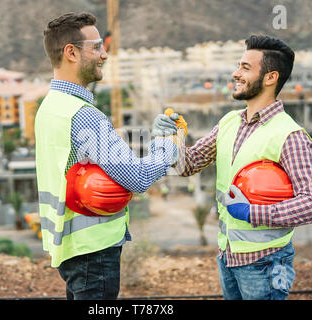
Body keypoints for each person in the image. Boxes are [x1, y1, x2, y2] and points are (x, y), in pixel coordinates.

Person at [157, 35, 312, 300]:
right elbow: (187, 165)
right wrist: (172, 138)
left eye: (245, 68)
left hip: (266, 261)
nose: (235, 73)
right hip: (228, 256)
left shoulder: (289, 135)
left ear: (270, 77)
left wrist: (254, 213)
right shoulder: (229, 122)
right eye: (238, 66)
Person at [34, 12, 181, 300]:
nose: (104, 55)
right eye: (97, 47)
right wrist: (169, 144)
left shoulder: (51, 107)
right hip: (94, 252)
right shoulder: (84, 116)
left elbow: (101, 164)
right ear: (71, 53)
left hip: (71, 249)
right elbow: (137, 178)